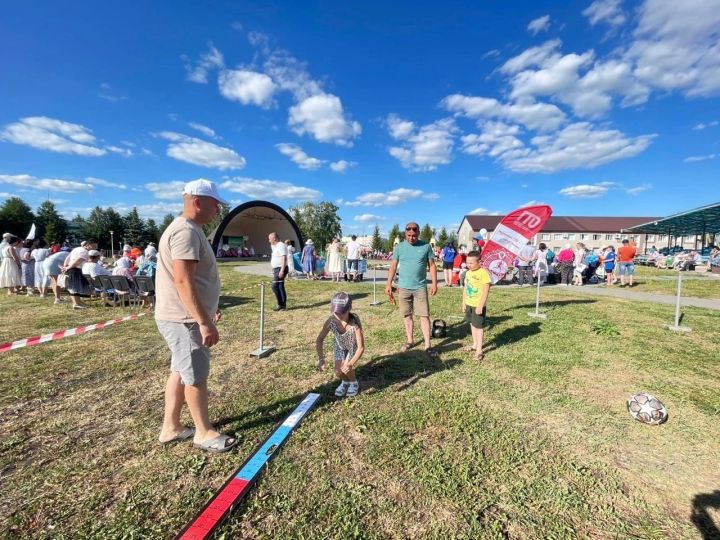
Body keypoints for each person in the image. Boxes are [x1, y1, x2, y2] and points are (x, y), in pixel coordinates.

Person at [155, 179, 238, 453]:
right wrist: (202, 321)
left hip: (184, 315)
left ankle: (171, 427)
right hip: (184, 320)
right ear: (197, 201)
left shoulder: (191, 230)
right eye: (215, 205)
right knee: (195, 376)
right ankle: (203, 432)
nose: (218, 210)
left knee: (180, 371)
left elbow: (194, 280)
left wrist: (208, 308)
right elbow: (183, 281)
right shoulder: (186, 232)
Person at [385, 221, 439, 357]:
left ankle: (427, 345)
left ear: (418, 233)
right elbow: (393, 266)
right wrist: (388, 284)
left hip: (420, 287)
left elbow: (432, 265)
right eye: (408, 235)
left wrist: (434, 283)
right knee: (407, 315)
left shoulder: (426, 247)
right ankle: (410, 340)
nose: (411, 238)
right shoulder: (399, 248)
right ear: (405, 234)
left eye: (414, 235)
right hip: (403, 288)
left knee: (424, 316)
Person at [315, 292, 365, 398]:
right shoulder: (330, 322)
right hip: (340, 346)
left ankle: (353, 382)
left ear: (349, 308)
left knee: (347, 367)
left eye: (341, 312)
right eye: (335, 312)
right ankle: (345, 382)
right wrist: (321, 359)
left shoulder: (354, 324)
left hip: (352, 347)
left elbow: (361, 348)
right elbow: (319, 340)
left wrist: (350, 363)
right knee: (338, 372)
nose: (337, 315)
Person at [462, 250, 491, 361]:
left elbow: (486, 290)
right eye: (467, 262)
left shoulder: (483, 273)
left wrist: (481, 305)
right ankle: (474, 345)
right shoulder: (468, 273)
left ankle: (479, 349)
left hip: (478, 305)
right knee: (472, 324)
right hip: (469, 303)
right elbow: (465, 288)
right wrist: (463, 302)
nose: (468, 265)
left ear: (479, 262)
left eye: (471, 263)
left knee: (478, 327)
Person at [63, 240, 96, 309]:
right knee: (75, 287)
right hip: (75, 269)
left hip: (71, 268)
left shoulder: (77, 248)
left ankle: (78, 302)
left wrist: (65, 266)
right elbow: (78, 261)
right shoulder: (85, 252)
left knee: (73, 287)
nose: (94, 247)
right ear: (88, 245)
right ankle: (76, 304)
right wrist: (68, 267)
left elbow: (68, 257)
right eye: (94, 246)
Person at [268, 232, 288, 311]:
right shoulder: (275, 246)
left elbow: (284, 258)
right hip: (277, 269)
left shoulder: (281, 245)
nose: (269, 240)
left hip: (280, 268)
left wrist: (282, 270)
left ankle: (281, 304)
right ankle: (282, 305)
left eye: (270, 239)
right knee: (280, 286)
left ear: (274, 238)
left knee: (274, 286)